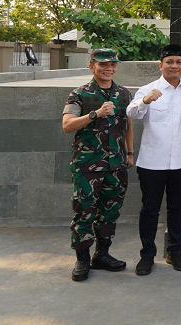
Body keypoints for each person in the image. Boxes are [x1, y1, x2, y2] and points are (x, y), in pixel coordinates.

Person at [127, 44, 181, 275]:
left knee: (177, 208)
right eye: (169, 62)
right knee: (150, 209)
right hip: (152, 162)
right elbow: (131, 113)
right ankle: (147, 255)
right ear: (161, 65)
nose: (174, 66)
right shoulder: (147, 89)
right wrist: (146, 101)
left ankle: (175, 251)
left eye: (178, 62)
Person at [62, 48, 133, 282]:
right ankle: (82, 258)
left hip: (116, 165)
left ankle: (102, 254)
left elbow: (128, 126)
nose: (109, 68)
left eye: (113, 65)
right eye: (103, 64)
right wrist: (95, 114)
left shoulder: (123, 94)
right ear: (92, 66)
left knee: (110, 211)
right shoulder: (80, 94)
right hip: (87, 166)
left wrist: (129, 154)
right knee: (84, 213)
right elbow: (68, 125)